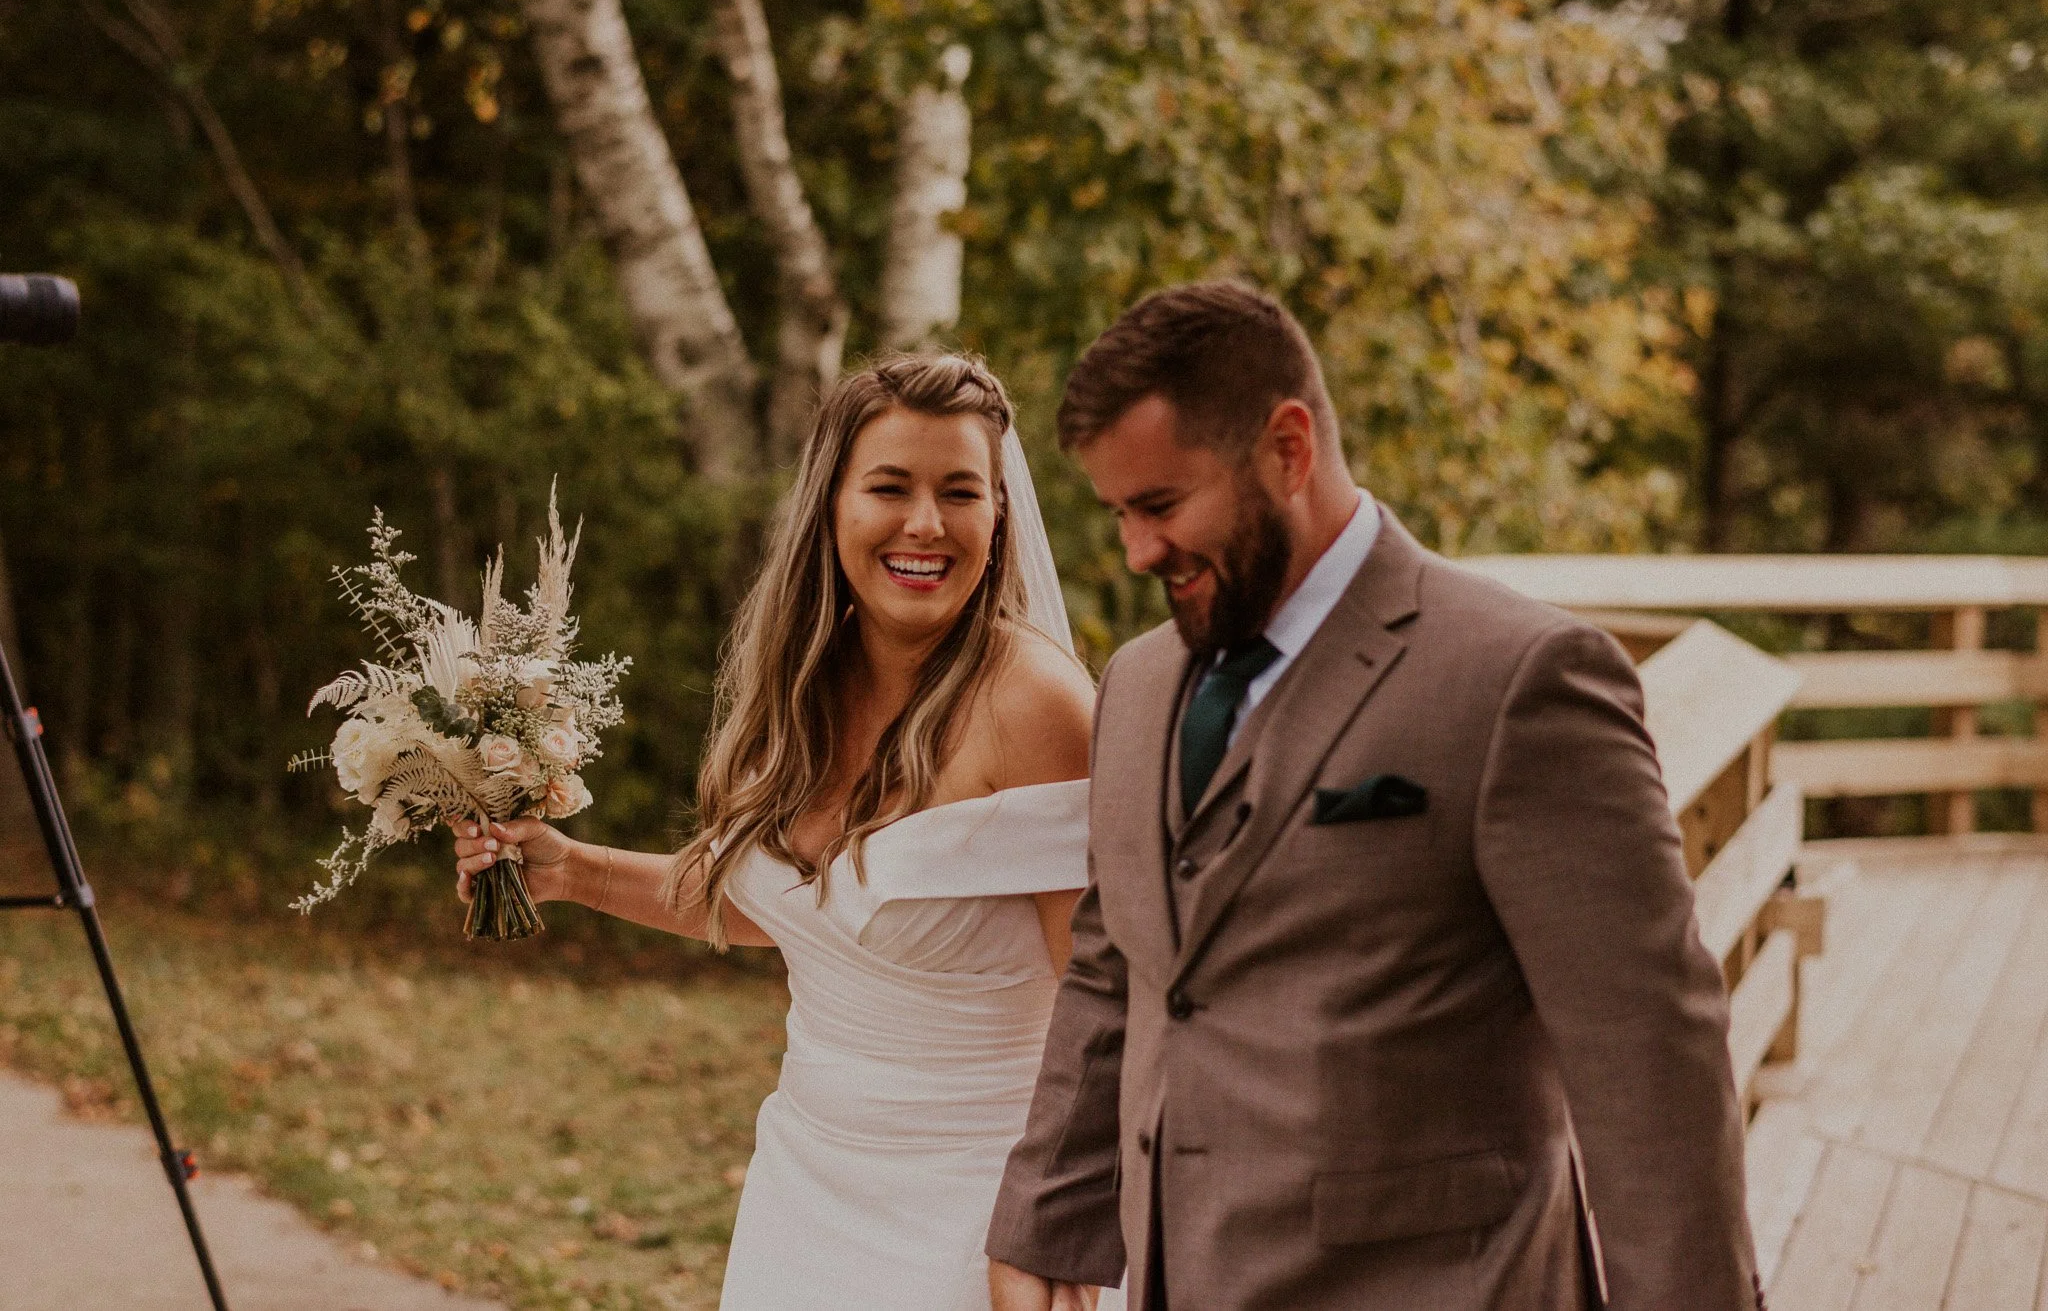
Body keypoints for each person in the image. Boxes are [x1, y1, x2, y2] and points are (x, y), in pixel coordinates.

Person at [985, 282, 1763, 1310]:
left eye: (1162, 505)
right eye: (1119, 513)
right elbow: (1111, 968)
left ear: (1288, 447)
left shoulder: (1518, 678)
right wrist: (1046, 1219)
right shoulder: (1134, 684)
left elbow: (1648, 1057)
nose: (1135, 551)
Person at [449, 354, 1114, 1310]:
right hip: (804, 1192)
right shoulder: (797, 688)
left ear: (999, 516)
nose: (926, 523)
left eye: (961, 492)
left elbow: (1104, 1003)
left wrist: (1059, 1226)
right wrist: (568, 868)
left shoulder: (1039, 705)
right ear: (832, 503)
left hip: (979, 1213)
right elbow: (788, 911)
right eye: (890, 486)